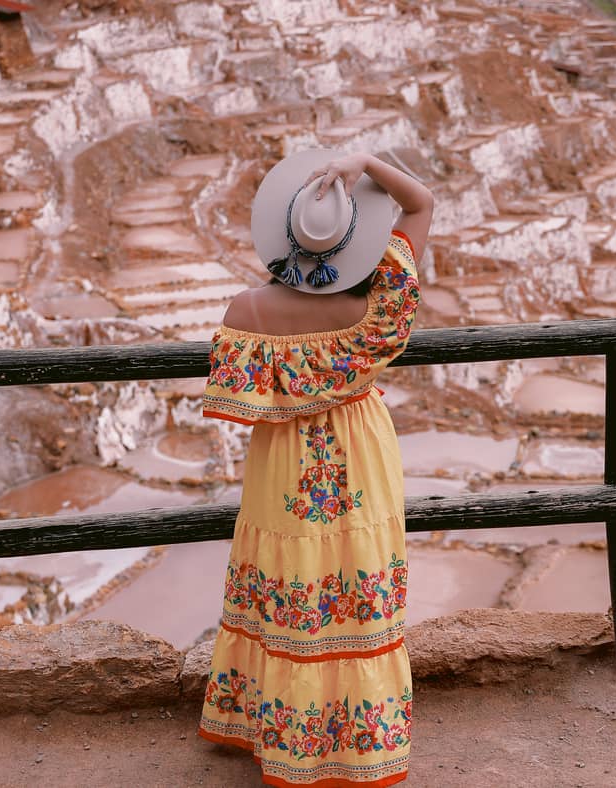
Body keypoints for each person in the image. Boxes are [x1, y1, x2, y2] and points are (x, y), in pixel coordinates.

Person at [196, 149, 432, 788]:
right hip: (362, 448)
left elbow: (235, 398)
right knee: (357, 578)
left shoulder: (246, 315)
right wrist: (364, 161)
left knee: (286, 574)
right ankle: (358, 744)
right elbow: (421, 203)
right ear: (356, 239)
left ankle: (282, 734)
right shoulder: (382, 302)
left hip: (285, 459)